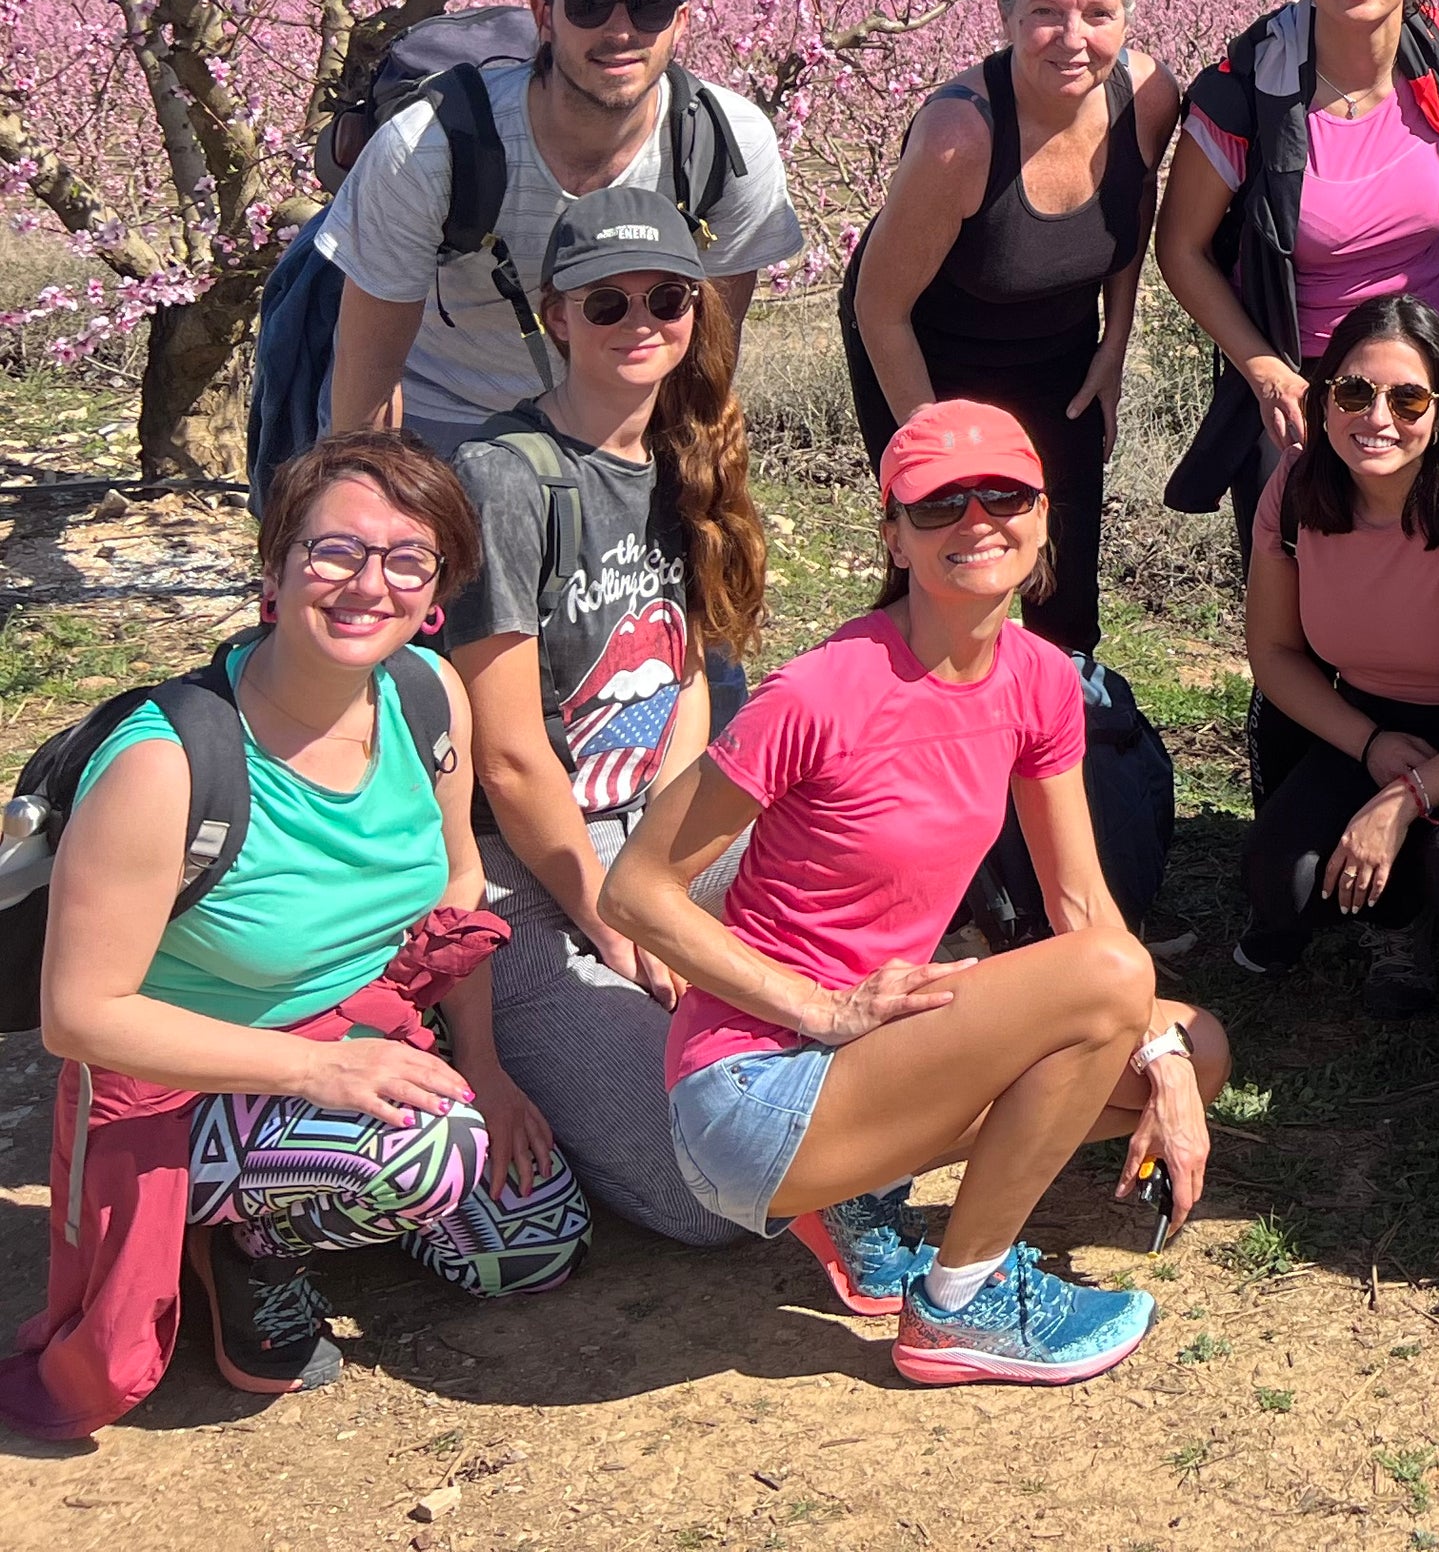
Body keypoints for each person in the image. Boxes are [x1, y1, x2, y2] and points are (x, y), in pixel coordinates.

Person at [605, 402, 1226, 1388]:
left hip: (874, 1062)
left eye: (1004, 495)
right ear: (894, 535)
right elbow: (637, 890)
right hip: (753, 1088)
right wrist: (816, 1008)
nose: (976, 520)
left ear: (1043, 515)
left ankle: (859, 1196)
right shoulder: (821, 692)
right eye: (939, 505)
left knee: (1194, 1048)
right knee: (1112, 978)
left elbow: (1078, 902)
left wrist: (1170, 1066)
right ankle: (958, 1303)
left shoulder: (1040, 680)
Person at [9, 434, 586, 1433]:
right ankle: (247, 1245)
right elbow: (80, 1018)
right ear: (272, 570)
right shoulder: (167, 761)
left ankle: (305, 1192)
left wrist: (485, 1066)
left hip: (361, 1032)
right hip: (183, 1085)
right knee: (429, 1155)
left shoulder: (426, 694)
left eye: (407, 559)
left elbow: (456, 891)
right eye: (335, 550)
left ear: (437, 591)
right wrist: (318, 1073)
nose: (368, 584)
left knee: (531, 1250)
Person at [448, 191, 768, 1251]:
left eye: (666, 298)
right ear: (556, 315)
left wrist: (667, 875)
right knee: (702, 1199)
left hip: (648, 827)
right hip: (531, 863)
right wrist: (617, 917)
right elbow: (507, 755)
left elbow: (685, 679)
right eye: (606, 302)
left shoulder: (687, 460)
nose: (640, 321)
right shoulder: (504, 478)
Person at [317, 0, 807, 458]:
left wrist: (684, 476)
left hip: (625, 428)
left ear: (681, 23)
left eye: (649, 6)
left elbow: (711, 353)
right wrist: (364, 483)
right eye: (588, 3)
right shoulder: (427, 148)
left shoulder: (727, 142)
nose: (619, 32)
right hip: (445, 419)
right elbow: (370, 366)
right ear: (544, 17)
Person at [844, 0, 1176, 662]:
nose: (1073, 38)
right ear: (1006, 17)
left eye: (1098, 14)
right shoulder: (959, 138)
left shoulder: (1149, 98)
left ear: (1127, 19)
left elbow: (1133, 212)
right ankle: (920, 706)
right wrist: (936, 449)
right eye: (1046, 12)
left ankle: (1060, 717)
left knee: (1065, 573)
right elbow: (879, 307)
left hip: (1060, 349)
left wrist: (1114, 344)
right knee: (947, 561)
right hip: (927, 347)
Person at [1230, 295, 1439, 1038]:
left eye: (1408, 399)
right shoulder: (1294, 490)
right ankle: (1396, 922)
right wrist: (1371, 746)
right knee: (1283, 881)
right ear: (1322, 399)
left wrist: (1406, 797)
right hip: (1365, 719)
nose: (1377, 417)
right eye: (1353, 392)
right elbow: (1274, 655)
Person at [1159, 0, 1439, 535]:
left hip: (1435, 367)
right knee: (1297, 567)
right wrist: (1265, 372)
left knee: (1437, 564)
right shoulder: (1246, 89)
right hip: (1303, 379)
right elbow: (1180, 249)